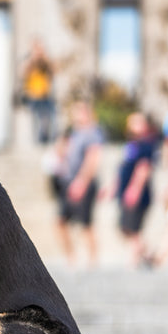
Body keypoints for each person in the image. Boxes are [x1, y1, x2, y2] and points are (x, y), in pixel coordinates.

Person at [56, 100, 103, 269]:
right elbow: (61, 153)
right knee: (60, 221)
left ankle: (93, 259)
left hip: (82, 182)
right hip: (67, 181)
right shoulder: (72, 133)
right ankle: (71, 257)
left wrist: (82, 181)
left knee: (86, 223)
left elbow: (93, 158)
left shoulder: (92, 133)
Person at [116, 113, 158, 268]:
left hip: (138, 194)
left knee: (133, 228)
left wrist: (135, 189)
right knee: (125, 227)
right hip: (126, 190)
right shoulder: (131, 145)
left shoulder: (147, 145)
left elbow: (144, 168)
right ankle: (148, 254)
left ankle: (132, 262)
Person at [21, 38, 56, 144]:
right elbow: (23, 74)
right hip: (33, 95)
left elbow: (54, 71)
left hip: (45, 95)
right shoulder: (28, 61)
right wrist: (33, 59)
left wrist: (43, 57)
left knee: (48, 119)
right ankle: (36, 142)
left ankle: (47, 140)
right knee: (35, 119)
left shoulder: (46, 62)